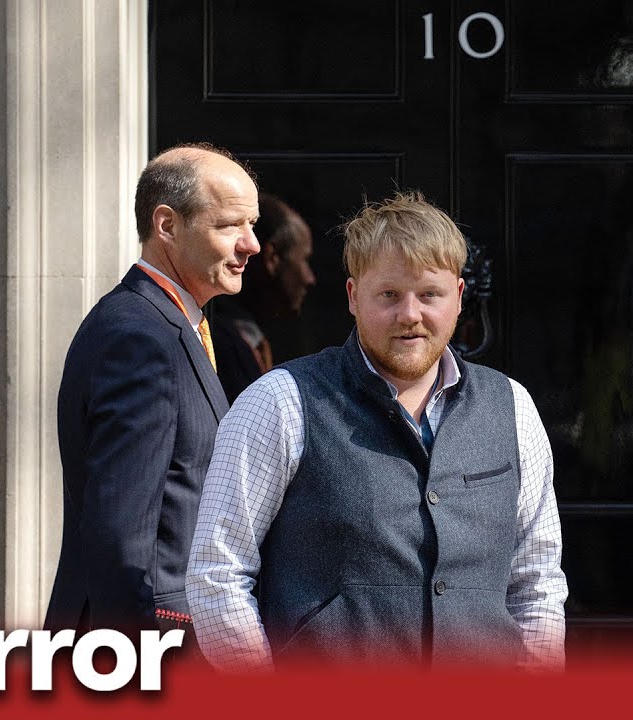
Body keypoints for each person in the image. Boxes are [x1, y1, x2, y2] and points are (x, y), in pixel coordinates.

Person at [186, 190, 567, 671]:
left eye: (430, 294)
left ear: (459, 297)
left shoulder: (512, 407)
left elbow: (537, 582)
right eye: (389, 294)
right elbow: (218, 573)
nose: (410, 314)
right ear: (352, 297)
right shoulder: (279, 402)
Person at [45, 143, 259, 641]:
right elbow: (119, 538)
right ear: (167, 225)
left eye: (253, 224)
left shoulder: (174, 326)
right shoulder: (138, 339)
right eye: (230, 225)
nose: (252, 244)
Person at [205, 192, 316, 404]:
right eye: (304, 260)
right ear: (272, 258)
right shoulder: (219, 345)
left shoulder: (246, 340)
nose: (310, 279)